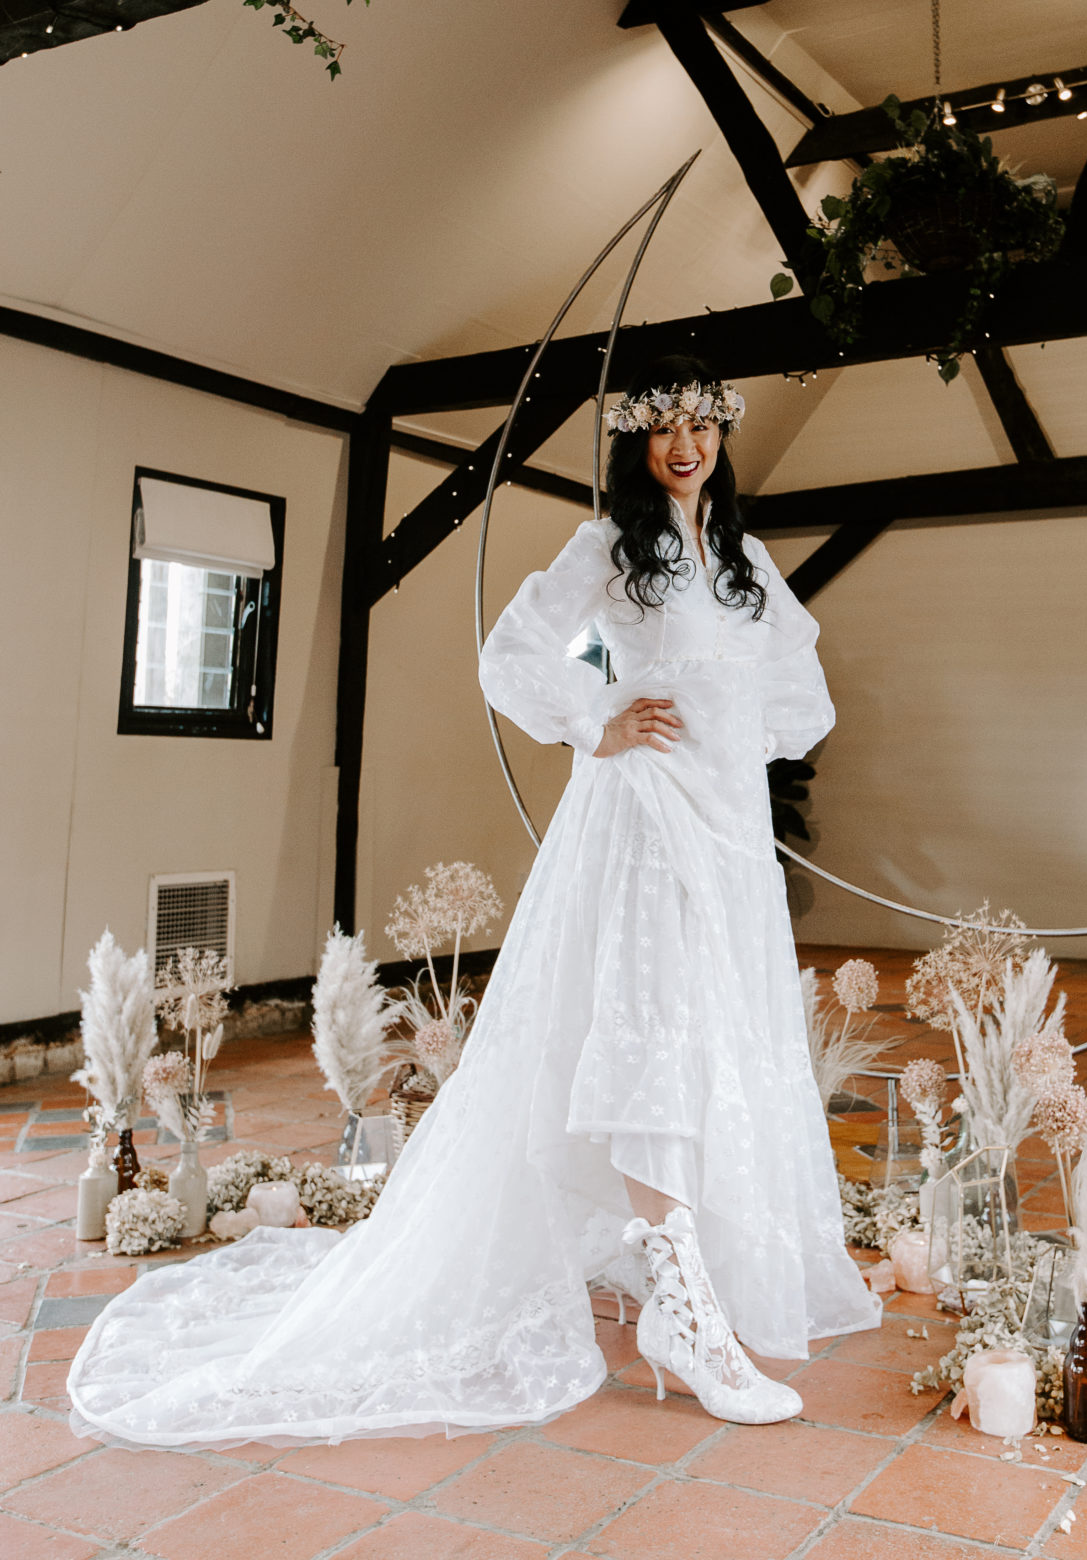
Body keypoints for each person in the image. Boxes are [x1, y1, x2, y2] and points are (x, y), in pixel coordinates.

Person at [67, 355, 876, 1448]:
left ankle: (696, 1283)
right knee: (650, 1041)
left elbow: (799, 688)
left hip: (724, 837)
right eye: (663, 426)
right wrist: (606, 709)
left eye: (702, 424)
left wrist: (720, 716)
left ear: (721, 436)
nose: (685, 444)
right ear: (636, 441)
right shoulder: (610, 551)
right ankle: (686, 1315)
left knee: (708, 1046)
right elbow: (531, 649)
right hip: (637, 825)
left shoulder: (739, 561)